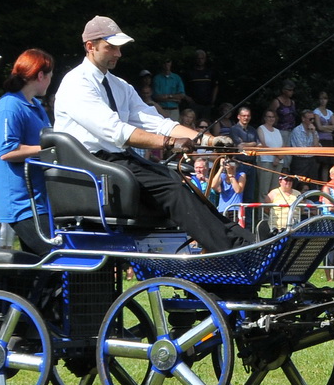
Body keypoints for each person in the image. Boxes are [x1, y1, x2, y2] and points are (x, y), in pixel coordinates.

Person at [53, 15, 251, 253]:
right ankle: (235, 249)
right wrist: (169, 143)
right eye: (111, 47)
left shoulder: (120, 86)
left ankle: (243, 241)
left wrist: (209, 140)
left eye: (119, 48)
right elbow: (115, 131)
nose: (118, 53)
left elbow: (157, 122)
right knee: (173, 190)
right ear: (90, 46)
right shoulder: (76, 83)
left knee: (179, 182)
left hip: (117, 161)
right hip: (90, 168)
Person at [0, 49, 55, 254]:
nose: (51, 81)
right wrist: (51, 149)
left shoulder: (34, 104)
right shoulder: (9, 106)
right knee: (54, 255)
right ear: (40, 75)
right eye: (50, 76)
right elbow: (7, 151)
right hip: (20, 202)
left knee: (37, 262)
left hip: (38, 200)